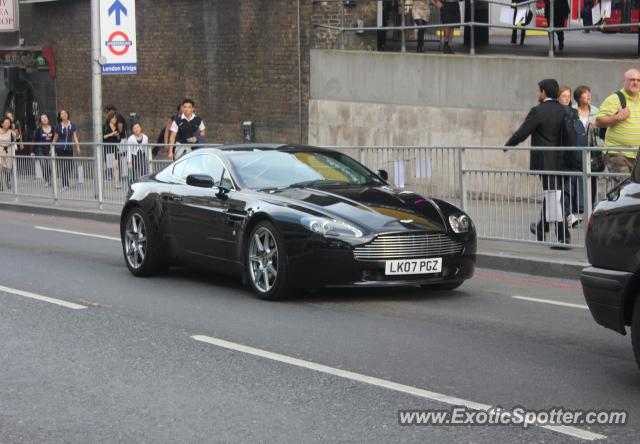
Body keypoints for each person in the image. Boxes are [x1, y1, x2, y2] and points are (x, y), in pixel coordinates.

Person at [505, 79, 572, 246]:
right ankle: (542, 227)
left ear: (543, 92)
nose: (538, 94)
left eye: (538, 91)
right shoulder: (566, 111)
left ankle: (563, 236)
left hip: (545, 162)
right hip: (563, 161)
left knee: (553, 196)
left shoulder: (538, 111)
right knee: (553, 195)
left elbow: (523, 132)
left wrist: (508, 145)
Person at [596, 68, 640, 188]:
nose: (635, 83)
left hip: (637, 155)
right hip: (618, 154)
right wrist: (618, 117)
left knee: (636, 191)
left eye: (638, 80)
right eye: (632, 80)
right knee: (625, 188)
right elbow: (599, 121)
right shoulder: (615, 98)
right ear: (624, 82)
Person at [572, 85, 602, 208]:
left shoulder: (595, 111)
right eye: (585, 93)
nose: (588, 95)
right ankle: (577, 205)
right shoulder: (572, 110)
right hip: (576, 148)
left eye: (589, 92)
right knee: (576, 176)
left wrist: (596, 126)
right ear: (579, 97)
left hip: (591, 148)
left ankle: (591, 203)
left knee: (592, 176)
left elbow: (601, 131)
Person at [52, 109, 80, 190]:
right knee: (64, 166)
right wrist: (52, 147)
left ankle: (65, 177)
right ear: (60, 116)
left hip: (69, 148)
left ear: (67, 115)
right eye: (62, 114)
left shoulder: (72, 125)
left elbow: (75, 137)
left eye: (65, 113)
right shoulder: (58, 126)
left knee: (70, 165)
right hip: (60, 148)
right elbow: (55, 137)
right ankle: (65, 184)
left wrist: (78, 147)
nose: (64, 115)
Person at [32, 113, 54, 186]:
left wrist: (54, 149)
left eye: (45, 117)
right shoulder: (39, 130)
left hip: (49, 149)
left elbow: (55, 139)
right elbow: (34, 140)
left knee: (49, 164)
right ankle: (47, 180)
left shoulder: (53, 128)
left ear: (48, 119)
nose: (44, 119)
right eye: (42, 118)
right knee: (43, 163)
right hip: (40, 148)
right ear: (41, 120)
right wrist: (32, 152)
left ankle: (49, 178)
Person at [103, 111, 123, 188]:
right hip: (107, 147)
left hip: (115, 148)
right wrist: (111, 134)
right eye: (113, 118)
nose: (115, 119)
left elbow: (119, 140)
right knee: (105, 165)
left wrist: (118, 136)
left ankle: (117, 184)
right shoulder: (105, 126)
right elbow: (103, 137)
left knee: (116, 165)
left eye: (115, 118)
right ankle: (101, 180)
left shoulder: (117, 127)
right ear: (110, 118)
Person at [0, 116, 16, 191]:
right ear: (2, 124)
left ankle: (7, 181)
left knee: (8, 169)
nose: (7, 124)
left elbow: (16, 137)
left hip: (8, 150)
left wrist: (13, 129)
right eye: (6, 123)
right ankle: (0, 184)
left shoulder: (10, 131)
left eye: (8, 123)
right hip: (0, 150)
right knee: (0, 168)